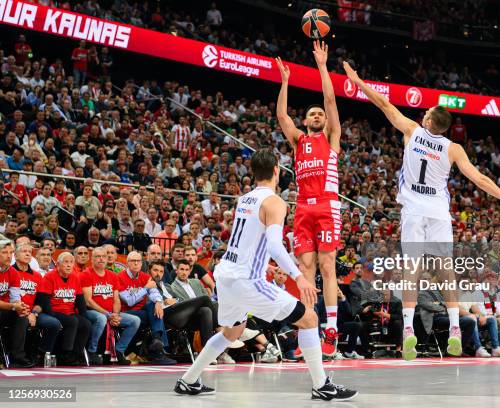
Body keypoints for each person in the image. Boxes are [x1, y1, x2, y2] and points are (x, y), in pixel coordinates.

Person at [343, 61, 500, 361]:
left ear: (428, 121)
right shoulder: (454, 149)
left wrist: (359, 81)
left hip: (414, 211)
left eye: (426, 113)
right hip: (439, 213)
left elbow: (383, 103)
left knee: (411, 272)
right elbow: (479, 179)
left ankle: (408, 332)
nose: (423, 114)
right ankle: (455, 327)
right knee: (445, 272)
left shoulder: (412, 132)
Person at [174, 149, 357, 401]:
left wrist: (266, 267)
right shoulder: (275, 202)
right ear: (276, 172)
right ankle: (321, 384)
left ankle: (188, 380)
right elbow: (273, 245)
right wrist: (298, 277)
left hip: (227, 275)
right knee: (310, 319)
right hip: (247, 281)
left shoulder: (245, 199)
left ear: (253, 173)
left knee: (231, 333)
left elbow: (246, 242)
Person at [275, 41, 343, 356]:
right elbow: (281, 117)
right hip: (303, 209)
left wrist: (322, 66)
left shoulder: (332, 137)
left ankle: (332, 328)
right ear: (305, 121)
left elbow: (329, 98)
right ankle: (310, 333)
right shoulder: (299, 140)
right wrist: (285, 81)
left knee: (328, 266)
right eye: (311, 113)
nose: (316, 115)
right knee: (306, 272)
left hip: (328, 206)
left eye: (319, 113)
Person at [81, 247, 141, 365]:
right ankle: (92, 351)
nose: (101, 259)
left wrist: (115, 314)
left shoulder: (113, 276)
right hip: (90, 311)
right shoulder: (86, 274)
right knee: (101, 318)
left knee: (135, 320)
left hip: (110, 313)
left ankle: (118, 351)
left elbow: (116, 299)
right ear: (92, 259)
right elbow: (88, 301)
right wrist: (107, 314)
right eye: (97, 256)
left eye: (103, 256)